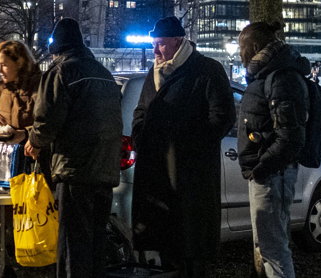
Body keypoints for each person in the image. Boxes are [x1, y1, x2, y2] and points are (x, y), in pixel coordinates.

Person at [130, 16, 236, 277]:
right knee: (165, 243)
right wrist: (140, 137)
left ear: (178, 42)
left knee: (190, 247)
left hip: (190, 176)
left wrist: (186, 145)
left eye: (161, 45)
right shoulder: (153, 73)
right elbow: (141, 111)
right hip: (158, 175)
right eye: (154, 44)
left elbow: (222, 118)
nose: (155, 51)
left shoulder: (207, 70)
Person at [26, 18, 123, 277]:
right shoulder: (104, 74)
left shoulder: (60, 73)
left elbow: (46, 121)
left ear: (56, 48)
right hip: (105, 171)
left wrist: (34, 143)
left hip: (74, 172)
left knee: (72, 246)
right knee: (95, 244)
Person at [235, 21, 310, 278]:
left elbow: (290, 136)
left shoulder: (280, 77)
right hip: (270, 174)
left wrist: (261, 167)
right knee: (269, 246)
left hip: (272, 175)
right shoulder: (271, 75)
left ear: (255, 46)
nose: (239, 53)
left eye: (241, 47)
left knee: (274, 249)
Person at [0, 40, 42, 144]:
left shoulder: (41, 87)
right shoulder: (0, 89)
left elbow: (49, 124)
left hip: (33, 155)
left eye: (4, 65)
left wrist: (26, 134)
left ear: (19, 63)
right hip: (5, 155)